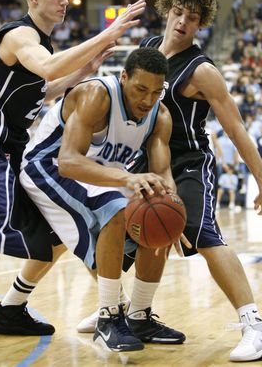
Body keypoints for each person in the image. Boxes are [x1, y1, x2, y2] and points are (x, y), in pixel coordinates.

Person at [80, 0, 262, 362]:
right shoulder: (149, 49)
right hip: (143, 157)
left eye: (194, 16)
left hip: (187, 162)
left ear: (201, 24)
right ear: (167, 10)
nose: (184, 21)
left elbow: (235, 128)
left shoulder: (201, 70)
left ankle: (257, 327)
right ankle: (129, 314)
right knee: (117, 226)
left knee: (198, 233)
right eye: (179, 11)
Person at [0, 0, 146, 334]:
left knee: (53, 232)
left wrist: (84, 72)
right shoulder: (21, 36)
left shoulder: (39, 43)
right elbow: (49, 69)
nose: (65, 1)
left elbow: (43, 90)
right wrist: (108, 34)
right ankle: (111, 304)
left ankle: (11, 309)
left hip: (9, 150)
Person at [16, 47, 189, 351]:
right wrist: (126, 178)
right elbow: (69, 162)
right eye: (140, 89)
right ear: (124, 77)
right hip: (48, 165)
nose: (147, 100)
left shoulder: (160, 115)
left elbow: (162, 172)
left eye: (156, 91)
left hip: (98, 172)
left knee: (158, 209)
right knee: (116, 207)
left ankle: (139, 315)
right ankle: (109, 316)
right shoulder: (97, 95)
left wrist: (172, 203)